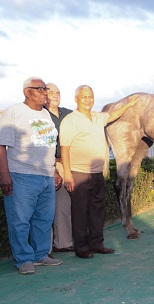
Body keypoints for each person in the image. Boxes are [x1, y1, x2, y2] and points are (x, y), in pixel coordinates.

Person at [60, 86, 138, 259]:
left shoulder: (97, 117)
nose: (88, 100)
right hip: (78, 173)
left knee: (98, 209)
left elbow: (112, 115)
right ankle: (81, 247)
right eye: (84, 97)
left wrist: (129, 104)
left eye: (90, 96)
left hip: (97, 173)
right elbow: (64, 148)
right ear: (76, 99)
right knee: (80, 212)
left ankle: (97, 243)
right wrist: (67, 173)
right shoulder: (70, 120)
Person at [0, 77, 63, 274]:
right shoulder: (13, 112)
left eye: (46, 89)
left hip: (45, 176)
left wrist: (53, 170)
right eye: (40, 89)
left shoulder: (45, 114)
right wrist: (4, 175)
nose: (45, 92)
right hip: (21, 174)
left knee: (44, 218)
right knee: (20, 220)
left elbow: (47, 145)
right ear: (27, 92)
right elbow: (2, 146)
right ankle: (23, 259)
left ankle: (41, 254)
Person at [45, 83, 74, 252]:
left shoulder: (68, 114)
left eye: (58, 92)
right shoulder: (41, 115)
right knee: (54, 206)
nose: (55, 95)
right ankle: (49, 247)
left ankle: (63, 243)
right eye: (51, 92)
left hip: (71, 163)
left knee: (66, 206)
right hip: (52, 164)